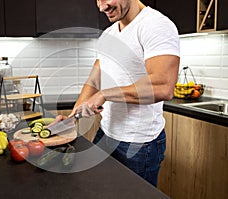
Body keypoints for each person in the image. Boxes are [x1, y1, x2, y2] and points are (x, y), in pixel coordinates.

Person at [60, 0, 180, 187]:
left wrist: (106, 94)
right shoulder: (108, 34)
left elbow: (163, 86)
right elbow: (94, 80)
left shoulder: (156, 25)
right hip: (105, 134)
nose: (101, 7)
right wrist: (72, 118)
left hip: (138, 144)